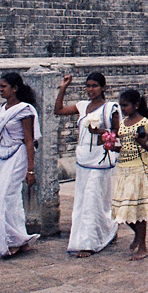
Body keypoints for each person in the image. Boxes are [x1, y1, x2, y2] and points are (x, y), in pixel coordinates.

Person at [55, 71, 119, 257]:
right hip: (84, 158)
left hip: (101, 158)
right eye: (88, 86)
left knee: (94, 198)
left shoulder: (110, 108)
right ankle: (108, 229)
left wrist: (100, 132)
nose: (90, 90)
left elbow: (117, 133)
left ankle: (88, 243)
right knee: (83, 199)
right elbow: (58, 111)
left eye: (94, 86)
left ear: (103, 88)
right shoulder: (83, 106)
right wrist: (63, 88)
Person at [0, 72, 41, 258]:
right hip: (4, 155)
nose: (0, 89)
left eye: (3, 86)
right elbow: (2, 138)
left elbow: (29, 140)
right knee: (10, 198)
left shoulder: (24, 109)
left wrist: (31, 170)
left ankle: (13, 240)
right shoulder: (3, 108)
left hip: (19, 155)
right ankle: (19, 239)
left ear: (14, 88)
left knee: (4, 196)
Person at [108, 89, 148, 261]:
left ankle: (143, 246)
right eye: (121, 106)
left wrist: (142, 143)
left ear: (136, 105)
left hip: (138, 169)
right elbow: (124, 147)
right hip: (123, 168)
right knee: (122, 208)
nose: (123, 109)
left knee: (137, 209)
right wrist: (111, 147)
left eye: (126, 105)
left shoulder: (145, 124)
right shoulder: (123, 124)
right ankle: (137, 234)